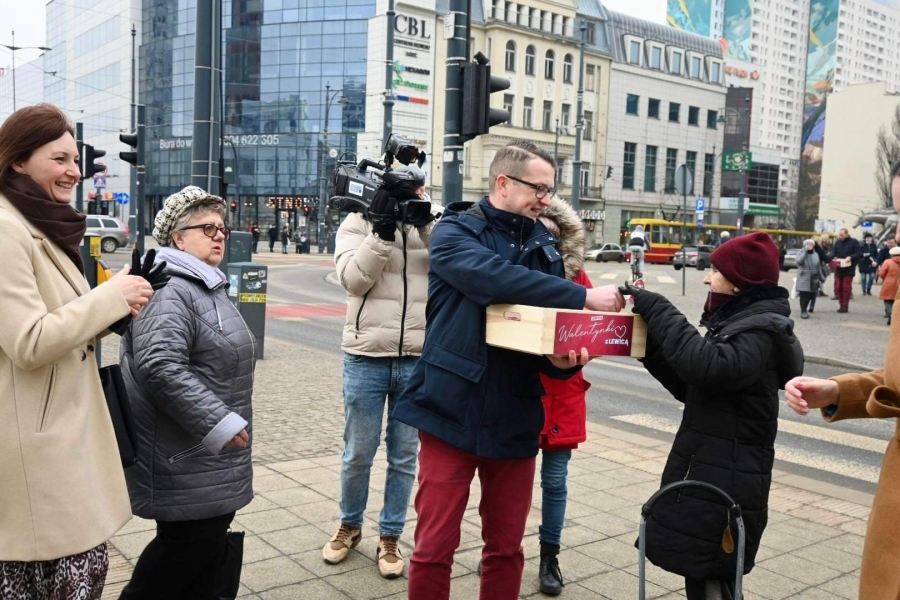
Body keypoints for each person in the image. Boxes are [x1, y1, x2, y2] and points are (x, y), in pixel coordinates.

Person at [392, 140, 625, 600]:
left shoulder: (547, 248)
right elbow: (493, 278)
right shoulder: (455, 231)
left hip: (515, 413)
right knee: (434, 547)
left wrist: (560, 362)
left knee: (506, 549)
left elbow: (545, 333)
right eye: (538, 188)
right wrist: (582, 296)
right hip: (450, 407)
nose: (546, 199)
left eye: (550, 190)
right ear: (503, 182)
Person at [0, 104, 155, 598]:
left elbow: (60, 317)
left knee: (82, 571)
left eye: (75, 160)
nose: (74, 172)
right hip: (38, 447)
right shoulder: (6, 228)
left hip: (58, 435)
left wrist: (114, 306)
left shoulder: (39, 221)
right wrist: (109, 298)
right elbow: (27, 341)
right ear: (18, 160)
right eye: (59, 159)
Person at [623, 232, 803, 600]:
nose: (707, 278)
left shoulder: (758, 332)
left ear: (738, 283)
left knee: (712, 576)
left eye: (715, 271)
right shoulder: (745, 324)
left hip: (726, 479)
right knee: (705, 572)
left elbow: (707, 368)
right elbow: (695, 387)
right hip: (715, 470)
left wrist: (659, 308)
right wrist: (649, 345)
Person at [118, 186, 255, 599]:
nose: (219, 235)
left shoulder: (203, 285)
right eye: (207, 228)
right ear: (178, 237)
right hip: (185, 452)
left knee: (200, 555)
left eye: (222, 228)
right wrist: (218, 421)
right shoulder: (171, 289)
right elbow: (159, 365)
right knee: (181, 555)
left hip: (203, 453)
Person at [323, 162, 438, 579]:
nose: (413, 196)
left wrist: (423, 220)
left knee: (404, 457)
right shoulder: (358, 223)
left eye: (417, 189)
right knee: (358, 452)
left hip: (417, 358)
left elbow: (450, 263)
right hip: (365, 357)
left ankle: (390, 535)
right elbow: (353, 281)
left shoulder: (431, 221)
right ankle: (349, 525)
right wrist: (382, 231)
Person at [535, 200, 593, 595]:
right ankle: (501, 550)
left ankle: (549, 556)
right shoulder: (509, 273)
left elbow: (597, 332)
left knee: (555, 482)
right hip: (518, 394)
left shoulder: (578, 279)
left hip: (562, 396)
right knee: (507, 484)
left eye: (553, 237)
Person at [830, 228, 861, 312]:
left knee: (846, 288)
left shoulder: (854, 242)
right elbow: (833, 252)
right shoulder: (837, 242)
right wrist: (833, 257)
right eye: (840, 235)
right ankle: (841, 304)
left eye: (842, 235)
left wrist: (851, 257)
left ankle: (845, 305)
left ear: (847, 234)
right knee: (838, 288)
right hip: (839, 268)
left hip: (849, 268)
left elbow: (859, 254)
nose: (841, 237)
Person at [796, 238, 826, 319]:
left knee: (810, 296)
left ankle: (806, 309)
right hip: (803, 278)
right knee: (803, 295)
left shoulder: (815, 254)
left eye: (811, 244)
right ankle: (803, 311)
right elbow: (799, 262)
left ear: (813, 246)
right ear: (804, 245)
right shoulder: (800, 253)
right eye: (807, 244)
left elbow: (818, 267)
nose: (809, 246)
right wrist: (805, 251)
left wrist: (822, 278)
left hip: (813, 279)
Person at [879, 246, 900, 325]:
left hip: (889, 283)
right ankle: (896, 316)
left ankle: (891, 314)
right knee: (896, 301)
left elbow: (881, 273)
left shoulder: (888, 262)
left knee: (887, 300)